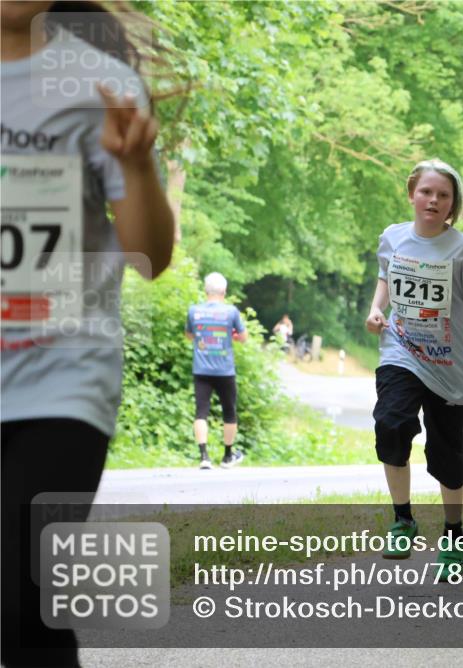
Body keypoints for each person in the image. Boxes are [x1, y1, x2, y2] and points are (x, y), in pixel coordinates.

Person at [1, 2, 175, 664]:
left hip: (62, 377)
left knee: (18, 594)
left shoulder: (99, 85)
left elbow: (151, 259)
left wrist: (135, 167)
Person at [366, 159, 463, 579]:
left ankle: (453, 534)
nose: (433, 200)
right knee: (391, 424)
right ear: (412, 194)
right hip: (401, 350)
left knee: (445, 453)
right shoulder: (392, 238)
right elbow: (385, 276)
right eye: (426, 192)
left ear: (453, 204)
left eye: (443, 195)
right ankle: (403, 521)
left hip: (450, 365)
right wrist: (376, 310)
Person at [186, 272, 247, 469]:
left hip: (201, 369)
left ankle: (204, 457)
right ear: (224, 291)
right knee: (229, 412)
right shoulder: (231, 312)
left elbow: (189, 335)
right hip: (224, 370)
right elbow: (243, 337)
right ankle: (228, 456)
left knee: (201, 412)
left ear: (206, 290)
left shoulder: (193, 311)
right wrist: (233, 336)